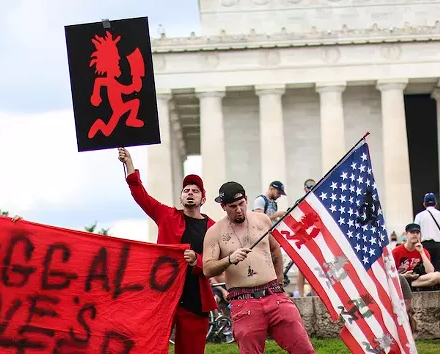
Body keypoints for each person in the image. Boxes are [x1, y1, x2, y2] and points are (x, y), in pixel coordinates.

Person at [118, 147, 217, 354]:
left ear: (203, 199)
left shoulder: (213, 227)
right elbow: (140, 194)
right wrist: (129, 163)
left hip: (195, 300)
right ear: (181, 198)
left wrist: (196, 261)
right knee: (150, 346)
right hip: (163, 294)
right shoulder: (166, 215)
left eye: (195, 191)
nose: (190, 193)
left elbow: (217, 263)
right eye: (186, 191)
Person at [202, 181, 315, 354]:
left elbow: (275, 248)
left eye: (241, 204)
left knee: (304, 350)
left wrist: (279, 282)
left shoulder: (262, 220)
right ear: (223, 206)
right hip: (244, 300)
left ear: (246, 199)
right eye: (233, 206)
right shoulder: (214, 232)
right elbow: (208, 269)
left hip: (274, 295)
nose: (239, 209)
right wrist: (229, 260)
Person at [413, 193, 440, 287]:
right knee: (439, 267)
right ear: (436, 203)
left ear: (424, 204)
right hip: (438, 245)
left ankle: (428, 286)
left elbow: (415, 231)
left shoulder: (419, 216)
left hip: (425, 245)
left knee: (426, 267)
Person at [392, 223, 440, 290]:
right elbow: (390, 273)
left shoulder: (423, 251)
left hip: (416, 280)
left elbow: (430, 272)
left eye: (417, 233)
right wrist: (404, 276)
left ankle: (410, 285)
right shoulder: (395, 252)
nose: (415, 235)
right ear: (406, 234)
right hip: (401, 279)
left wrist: (421, 252)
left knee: (437, 275)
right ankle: (408, 284)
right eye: (412, 232)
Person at [297, 179, 316, 297]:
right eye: (309, 186)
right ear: (304, 188)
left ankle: (315, 295)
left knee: (314, 269)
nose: (311, 188)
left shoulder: (317, 202)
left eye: (313, 186)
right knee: (301, 268)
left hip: (314, 237)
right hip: (303, 238)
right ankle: (300, 294)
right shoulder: (300, 202)